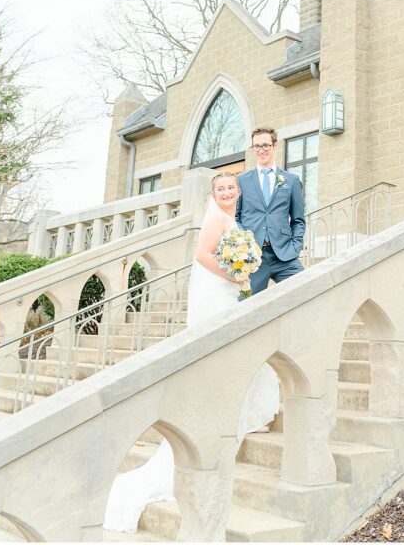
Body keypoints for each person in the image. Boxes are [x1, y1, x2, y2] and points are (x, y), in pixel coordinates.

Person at [103, 172, 280, 534]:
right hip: (218, 295)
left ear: (238, 191)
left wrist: (242, 273)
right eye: (221, 188)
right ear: (214, 193)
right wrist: (235, 275)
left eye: (231, 188)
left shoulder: (231, 219)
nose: (227, 192)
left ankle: (239, 414)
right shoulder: (216, 218)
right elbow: (202, 255)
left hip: (228, 292)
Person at [236, 127, 306, 295]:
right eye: (257, 146)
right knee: (246, 304)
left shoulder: (291, 180)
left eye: (266, 145)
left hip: (284, 255)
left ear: (275, 146)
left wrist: (295, 246)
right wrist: (245, 244)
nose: (261, 150)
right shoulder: (241, 181)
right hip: (253, 258)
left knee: (306, 291)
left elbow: (298, 220)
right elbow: (235, 217)